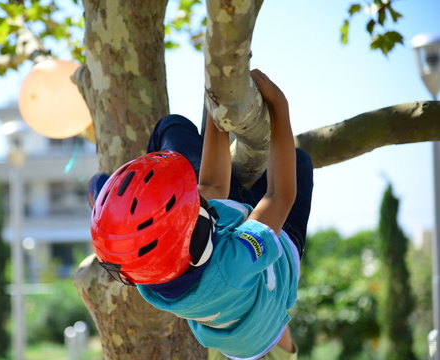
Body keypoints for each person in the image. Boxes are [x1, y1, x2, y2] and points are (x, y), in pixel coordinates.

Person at [89, 69, 313, 360]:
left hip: (228, 278)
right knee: (299, 161)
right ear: (196, 234)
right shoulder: (235, 263)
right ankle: (104, 193)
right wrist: (279, 106)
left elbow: (211, 187)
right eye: (193, 207)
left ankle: (114, 202)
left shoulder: (152, 283)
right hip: (281, 252)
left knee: (173, 129)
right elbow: (279, 196)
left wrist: (217, 106)